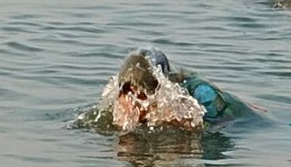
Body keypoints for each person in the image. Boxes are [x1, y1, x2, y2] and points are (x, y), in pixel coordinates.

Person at [106, 49, 248, 131]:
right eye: (126, 93)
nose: (132, 104)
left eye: (140, 96)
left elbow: (229, 125)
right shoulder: (122, 97)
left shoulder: (200, 95)